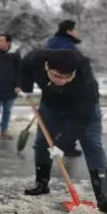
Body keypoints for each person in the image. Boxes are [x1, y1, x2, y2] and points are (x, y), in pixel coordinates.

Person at [17, 49, 107, 213]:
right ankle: (41, 184)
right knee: (43, 142)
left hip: (82, 110)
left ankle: (104, 197)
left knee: (92, 143)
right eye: (56, 76)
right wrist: (26, 88)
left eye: (67, 77)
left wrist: (62, 144)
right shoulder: (36, 58)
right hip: (51, 105)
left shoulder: (87, 84)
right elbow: (25, 65)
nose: (62, 81)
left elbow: (82, 120)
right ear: (46, 67)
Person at [46, 20, 83, 157]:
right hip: (65, 83)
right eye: (74, 29)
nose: (76, 32)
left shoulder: (52, 42)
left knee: (58, 113)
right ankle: (65, 145)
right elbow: (76, 63)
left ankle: (56, 141)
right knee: (68, 115)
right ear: (68, 31)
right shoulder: (67, 45)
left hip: (52, 81)